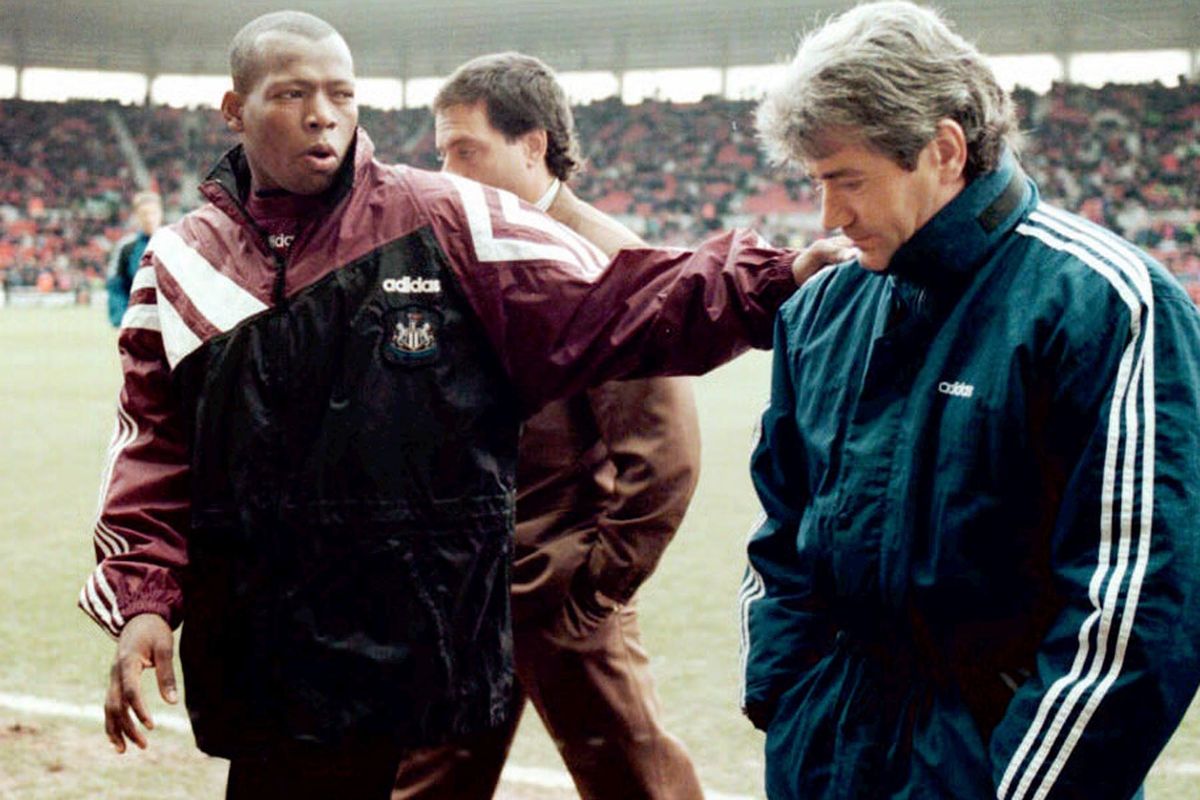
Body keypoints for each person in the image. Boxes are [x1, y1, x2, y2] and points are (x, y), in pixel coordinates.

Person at [77, 11, 845, 799]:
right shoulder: (178, 263)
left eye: (342, 93)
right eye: (294, 92)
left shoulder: (446, 219)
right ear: (235, 110)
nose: (323, 113)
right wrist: (142, 601)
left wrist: (776, 276)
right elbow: (154, 445)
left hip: (407, 654)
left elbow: (619, 299)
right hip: (259, 658)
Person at [738, 3, 1200, 799]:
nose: (828, 216)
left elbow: (1136, 604)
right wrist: (788, 702)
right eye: (818, 183)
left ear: (944, 150)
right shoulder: (820, 309)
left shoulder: (1104, 305)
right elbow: (780, 534)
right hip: (824, 750)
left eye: (848, 180)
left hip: (993, 764)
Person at [392, 53, 704, 800]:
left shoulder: (607, 258)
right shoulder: (462, 250)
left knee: (637, 783)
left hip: (559, 585)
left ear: (532, 146)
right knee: (426, 782)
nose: (448, 168)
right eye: (441, 153)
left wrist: (594, 588)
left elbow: (665, 453)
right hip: (464, 585)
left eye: (466, 149)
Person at [105, 191, 162, 327]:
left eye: (153, 213)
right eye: (144, 214)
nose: (149, 218)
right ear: (136, 216)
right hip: (138, 325)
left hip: (170, 326)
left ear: (161, 214)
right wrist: (121, 319)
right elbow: (116, 286)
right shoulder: (126, 248)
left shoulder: (174, 243)